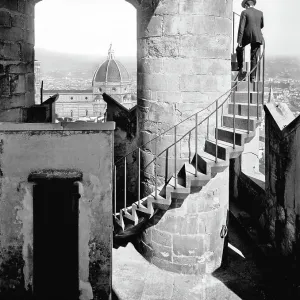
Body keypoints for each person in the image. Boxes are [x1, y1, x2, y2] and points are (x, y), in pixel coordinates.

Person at [236, 0, 264, 82]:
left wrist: (239, 41)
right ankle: (253, 77)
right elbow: (261, 25)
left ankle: (240, 67)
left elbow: (241, 27)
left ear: (247, 5)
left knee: (239, 49)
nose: (245, 7)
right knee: (254, 56)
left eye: (245, 6)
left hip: (247, 36)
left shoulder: (244, 12)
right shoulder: (260, 12)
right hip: (257, 36)